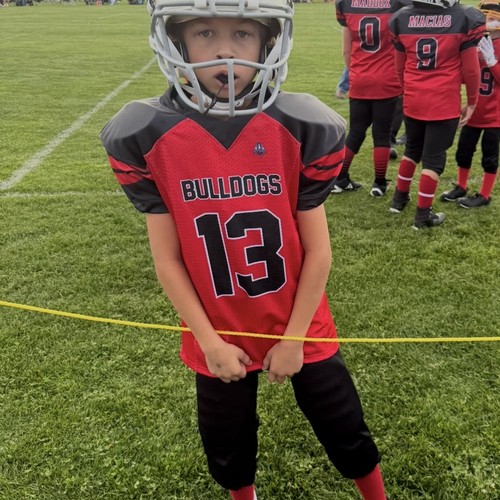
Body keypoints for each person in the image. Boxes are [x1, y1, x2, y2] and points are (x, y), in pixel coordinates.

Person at [101, 1, 386, 499]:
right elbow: (167, 260)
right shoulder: (146, 133)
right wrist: (209, 341)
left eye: (242, 34)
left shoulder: (301, 125)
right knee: (227, 446)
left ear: (268, 42)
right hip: (215, 326)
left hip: (299, 318)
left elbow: (319, 252)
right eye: (205, 33)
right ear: (176, 40)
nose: (225, 51)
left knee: (345, 427)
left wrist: (294, 339)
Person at [389, 0, 485, 229]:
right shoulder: (464, 17)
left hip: (414, 99)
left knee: (412, 149)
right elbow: (471, 70)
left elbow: (399, 67)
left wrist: (408, 91)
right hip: (443, 101)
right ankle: (423, 216)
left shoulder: (401, 18)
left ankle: (398, 200)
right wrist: (472, 101)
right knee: (433, 158)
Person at [332, 0, 410, 197]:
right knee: (382, 134)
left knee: (356, 131)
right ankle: (379, 183)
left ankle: (339, 178)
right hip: (387, 79)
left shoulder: (347, 4)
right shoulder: (397, 4)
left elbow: (346, 51)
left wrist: (357, 73)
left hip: (360, 78)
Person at [441, 0, 500, 208]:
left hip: (495, 115)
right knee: (463, 152)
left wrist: (492, 62)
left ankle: (484, 195)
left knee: (489, 157)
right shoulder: (475, 43)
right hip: (474, 111)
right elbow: (467, 78)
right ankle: (461, 186)